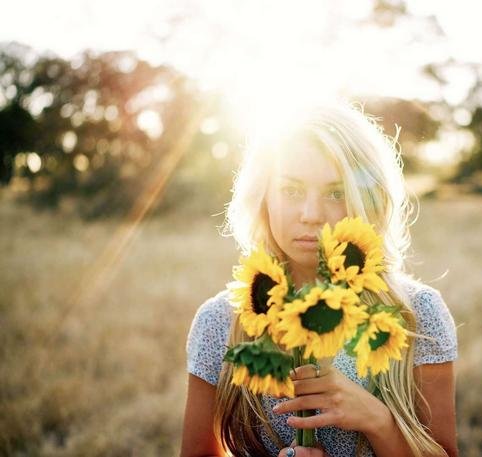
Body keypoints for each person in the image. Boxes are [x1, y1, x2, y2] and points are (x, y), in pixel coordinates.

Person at [180, 101, 459, 457]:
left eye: (336, 193)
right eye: (292, 191)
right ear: (263, 196)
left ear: (368, 199)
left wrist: (379, 422)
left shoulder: (416, 314)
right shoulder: (221, 321)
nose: (311, 215)